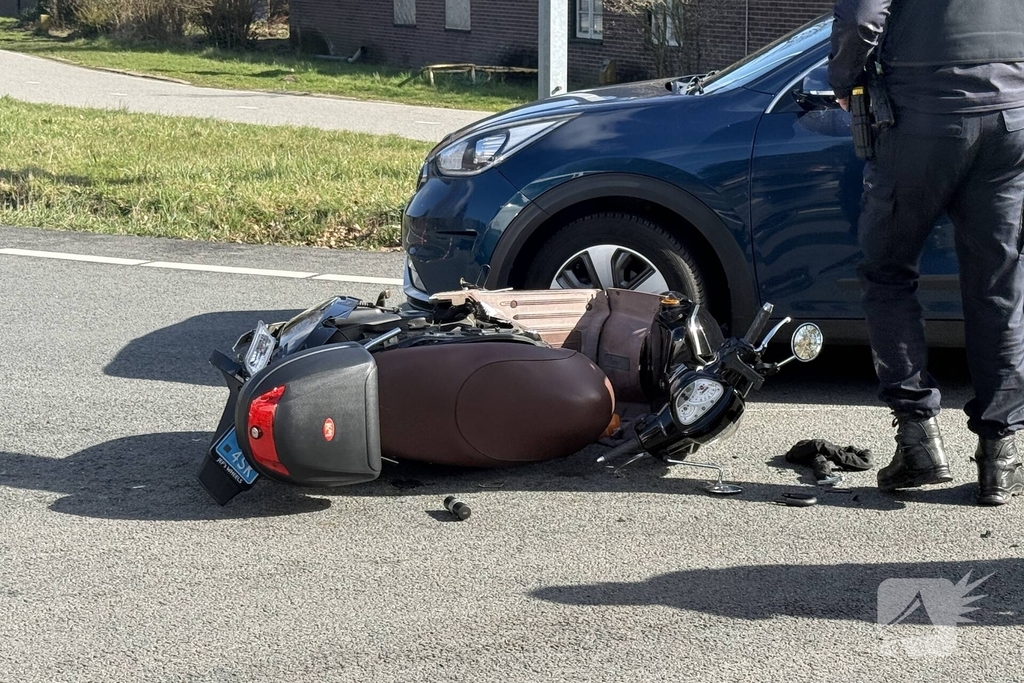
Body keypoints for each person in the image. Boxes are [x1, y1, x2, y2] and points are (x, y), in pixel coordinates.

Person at [829, 0, 1024, 505]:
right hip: (1011, 117)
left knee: (888, 273)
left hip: (921, 118)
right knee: (998, 283)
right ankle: (998, 460)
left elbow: (861, 18)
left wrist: (845, 83)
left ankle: (919, 444)